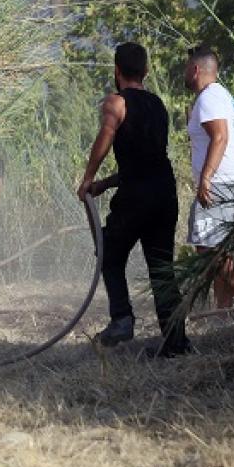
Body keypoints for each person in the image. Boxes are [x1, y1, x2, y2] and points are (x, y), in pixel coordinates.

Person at [77, 42, 192, 357]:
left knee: (109, 253)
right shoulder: (157, 105)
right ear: (146, 71)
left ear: (117, 71)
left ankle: (122, 319)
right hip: (164, 193)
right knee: (162, 269)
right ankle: (176, 342)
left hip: (137, 196)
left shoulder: (116, 102)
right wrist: (104, 183)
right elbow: (146, 161)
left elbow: (107, 134)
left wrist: (88, 177)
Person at [184, 45, 234, 321]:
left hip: (221, 184)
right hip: (232, 182)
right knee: (218, 250)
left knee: (210, 251)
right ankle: (222, 315)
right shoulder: (219, 95)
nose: (185, 73)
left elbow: (220, 137)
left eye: (186, 67)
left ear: (196, 70)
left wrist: (206, 177)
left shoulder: (209, 97)